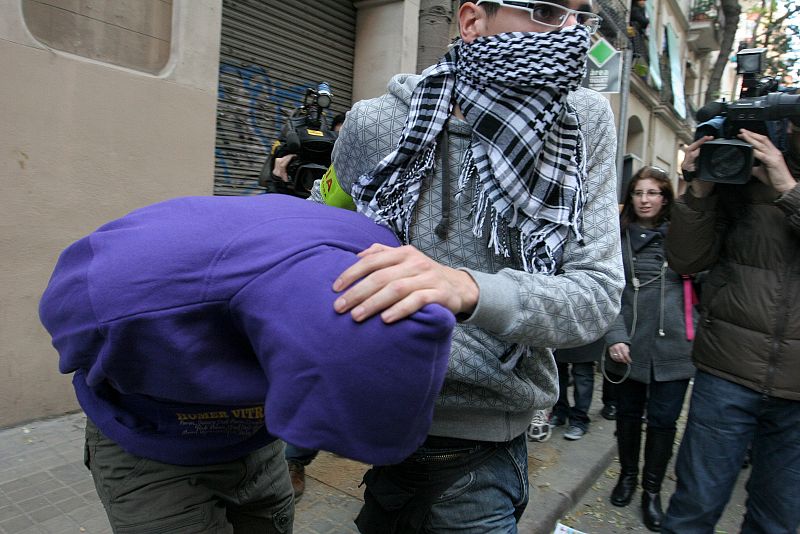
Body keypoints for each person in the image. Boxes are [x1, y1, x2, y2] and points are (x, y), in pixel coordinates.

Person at [311, 0, 625, 530]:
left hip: (484, 448)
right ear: (473, 20)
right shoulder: (378, 123)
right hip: (371, 420)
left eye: (580, 18)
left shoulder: (584, 121)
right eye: (548, 12)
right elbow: (316, 237)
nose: (570, 33)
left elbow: (594, 296)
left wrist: (467, 288)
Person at [38, 194, 456, 533]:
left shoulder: (384, 255)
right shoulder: (119, 298)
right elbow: (71, 335)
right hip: (152, 450)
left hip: (256, 449)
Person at [661, 124, 800, 533]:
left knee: (779, 521)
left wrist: (788, 190)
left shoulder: (777, 178)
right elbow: (685, 261)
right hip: (727, 373)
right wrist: (698, 192)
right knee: (693, 510)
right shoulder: (741, 173)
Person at [602, 166, 696, 531]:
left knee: (663, 422)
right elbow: (608, 292)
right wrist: (614, 337)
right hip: (627, 346)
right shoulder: (616, 237)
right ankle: (627, 477)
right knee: (627, 418)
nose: (645, 200)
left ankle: (651, 492)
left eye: (653, 193)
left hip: (675, 347)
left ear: (665, 197)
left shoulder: (684, 237)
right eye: (639, 193)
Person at [549, 339, 606, 441]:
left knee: (582, 371)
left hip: (585, 329)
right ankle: (559, 412)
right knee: (556, 369)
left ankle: (579, 420)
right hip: (558, 329)